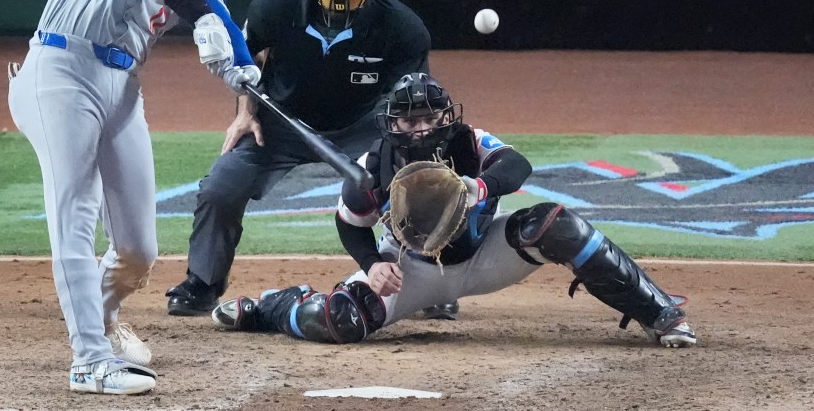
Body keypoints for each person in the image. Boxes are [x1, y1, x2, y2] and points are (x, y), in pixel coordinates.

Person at [8, 0, 260, 395]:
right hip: (60, 69)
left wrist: (242, 67)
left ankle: (101, 320)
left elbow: (214, 8)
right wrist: (206, 22)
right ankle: (90, 361)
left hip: (121, 89)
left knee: (138, 249)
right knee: (74, 212)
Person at [209, 73, 698, 349]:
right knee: (335, 321)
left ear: (447, 117)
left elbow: (518, 165)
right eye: (408, 118)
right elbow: (349, 224)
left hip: (486, 258)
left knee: (556, 223)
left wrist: (481, 185)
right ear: (391, 122)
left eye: (428, 117)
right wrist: (372, 264)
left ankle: (661, 315)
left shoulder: (470, 142)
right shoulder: (371, 167)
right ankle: (270, 306)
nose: (419, 127)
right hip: (411, 271)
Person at [164, 0, 432, 318]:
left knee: (413, 185)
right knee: (222, 186)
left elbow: (408, 99)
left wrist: (398, 152)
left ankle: (430, 283)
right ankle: (202, 284)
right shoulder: (275, 4)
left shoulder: (401, 25)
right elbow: (246, 60)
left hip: (361, 127)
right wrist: (244, 115)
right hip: (281, 121)